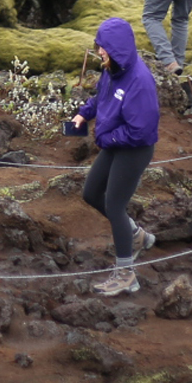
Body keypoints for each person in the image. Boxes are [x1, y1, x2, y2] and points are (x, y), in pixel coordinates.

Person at [70, 18, 160, 296]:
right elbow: (101, 97)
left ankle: (126, 275)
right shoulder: (111, 70)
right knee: (91, 193)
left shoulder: (139, 82)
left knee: (114, 204)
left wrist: (105, 138)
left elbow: (141, 131)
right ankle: (136, 236)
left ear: (116, 48)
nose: (99, 52)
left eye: (103, 47)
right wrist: (84, 113)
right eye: (98, 46)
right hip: (114, 142)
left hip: (134, 149)